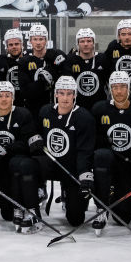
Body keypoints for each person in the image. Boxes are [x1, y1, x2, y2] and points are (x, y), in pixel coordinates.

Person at [30, 76, 96, 228]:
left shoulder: (84, 117)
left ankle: (68, 193)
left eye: (69, 93)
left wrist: (84, 174)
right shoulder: (45, 111)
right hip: (50, 164)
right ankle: (33, 201)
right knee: (26, 165)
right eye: (61, 93)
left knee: (76, 220)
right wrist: (36, 139)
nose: (65, 98)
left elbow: (84, 151)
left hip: (71, 168)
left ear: (75, 95)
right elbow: (34, 130)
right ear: (56, 94)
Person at [90, 71, 131, 234]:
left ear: (129, 88)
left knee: (122, 218)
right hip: (108, 164)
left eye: (122, 87)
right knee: (102, 155)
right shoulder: (99, 109)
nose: (118, 91)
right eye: (115, 87)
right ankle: (101, 208)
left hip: (129, 167)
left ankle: (113, 196)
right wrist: (99, 140)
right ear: (110, 89)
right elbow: (90, 137)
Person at [0, 81, 40, 232]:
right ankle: (15, 206)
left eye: (7, 95)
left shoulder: (23, 114)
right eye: (0, 95)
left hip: (16, 162)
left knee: (20, 166)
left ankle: (28, 206)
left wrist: (4, 149)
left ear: (13, 97)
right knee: (6, 214)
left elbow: (26, 143)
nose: (4, 99)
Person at [16, 23, 66, 116]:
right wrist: (42, 82)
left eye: (41, 39)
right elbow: (25, 91)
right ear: (30, 41)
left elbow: (65, 77)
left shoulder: (55, 55)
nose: (38, 42)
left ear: (46, 40)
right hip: (34, 108)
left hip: (56, 107)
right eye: (35, 39)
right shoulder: (24, 61)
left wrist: (54, 73)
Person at [61, 27, 110, 111]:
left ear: (94, 43)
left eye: (89, 41)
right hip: (77, 108)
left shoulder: (102, 58)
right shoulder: (70, 59)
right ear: (78, 44)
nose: (86, 44)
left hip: (99, 107)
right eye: (82, 41)